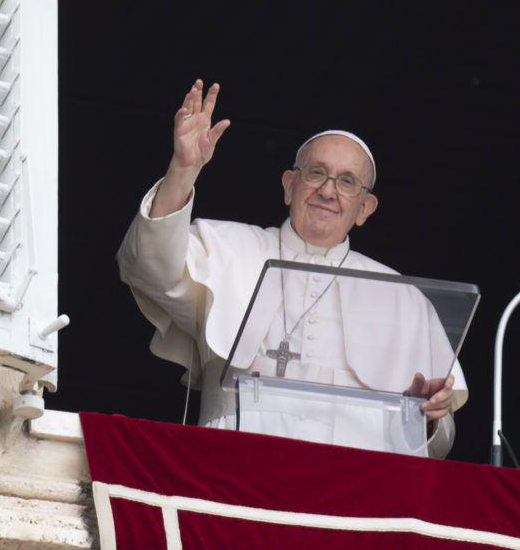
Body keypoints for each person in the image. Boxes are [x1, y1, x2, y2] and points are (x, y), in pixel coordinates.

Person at [118, 80, 467, 457]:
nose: (328, 191)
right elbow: (147, 266)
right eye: (316, 173)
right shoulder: (226, 248)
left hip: (354, 493)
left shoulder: (404, 299)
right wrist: (183, 170)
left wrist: (425, 417)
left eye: (347, 181)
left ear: (365, 209)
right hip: (232, 467)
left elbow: (440, 443)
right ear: (289, 186)